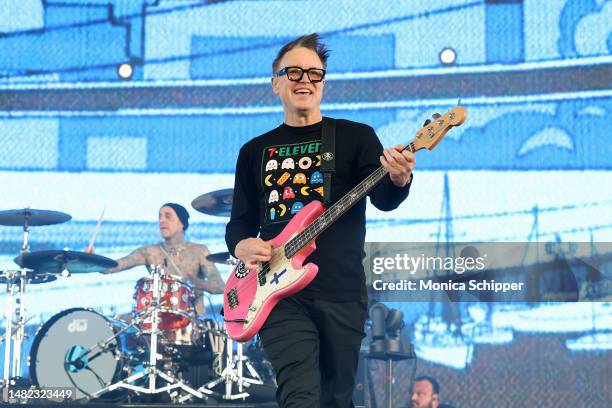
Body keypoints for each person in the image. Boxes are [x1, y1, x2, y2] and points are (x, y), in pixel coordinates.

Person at [225, 33, 415, 407]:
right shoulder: (254, 151)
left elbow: (384, 200)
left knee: (336, 396)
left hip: (340, 288)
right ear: (275, 83)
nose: (305, 81)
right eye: (293, 72)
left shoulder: (356, 137)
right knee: (300, 393)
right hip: (276, 292)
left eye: (315, 73)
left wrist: (399, 178)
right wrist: (241, 244)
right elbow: (239, 224)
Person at [104, 203, 225, 317]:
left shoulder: (200, 251)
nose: (162, 220)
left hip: (194, 324)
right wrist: (91, 260)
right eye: (160, 216)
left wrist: (195, 282)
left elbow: (220, 287)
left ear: (181, 224)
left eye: (168, 216)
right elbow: (116, 266)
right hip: (157, 321)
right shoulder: (149, 251)